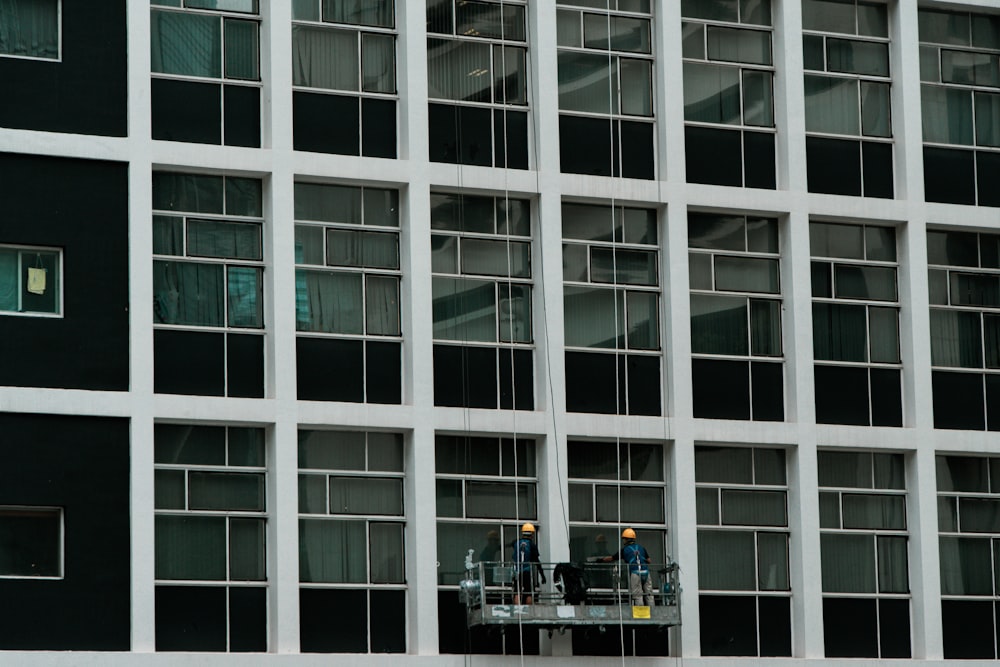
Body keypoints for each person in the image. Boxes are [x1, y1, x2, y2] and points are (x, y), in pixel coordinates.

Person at [596, 528, 654, 606]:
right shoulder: (641, 548)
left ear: (626, 540)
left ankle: (641, 616)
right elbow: (649, 561)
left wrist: (601, 560)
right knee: (649, 594)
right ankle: (653, 612)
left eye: (624, 539)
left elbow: (612, 558)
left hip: (635, 573)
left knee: (637, 595)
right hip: (646, 572)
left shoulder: (624, 550)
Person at [513, 522, 546, 604]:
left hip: (517, 571)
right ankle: (529, 610)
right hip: (527, 571)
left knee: (517, 591)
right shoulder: (531, 545)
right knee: (529, 591)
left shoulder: (516, 543)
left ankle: (517, 608)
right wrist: (542, 575)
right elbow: (537, 561)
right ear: (531, 534)